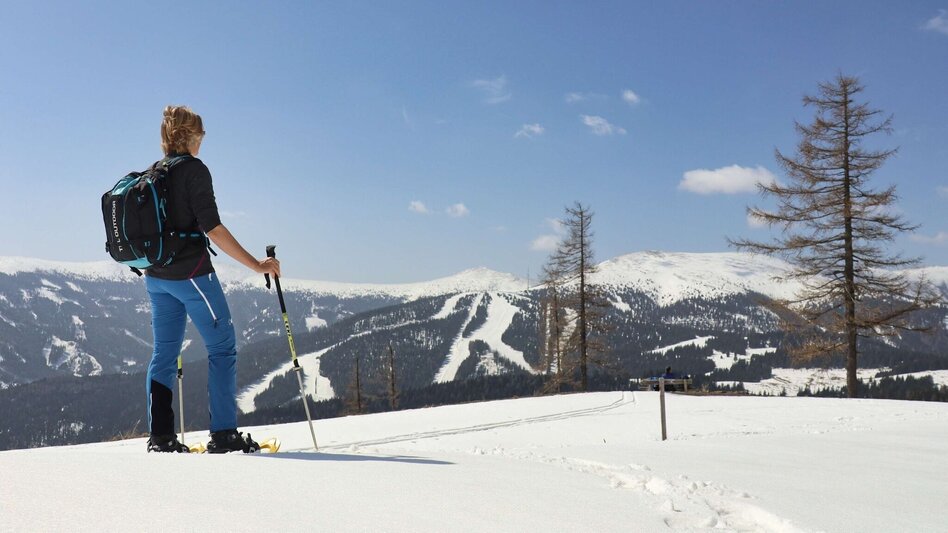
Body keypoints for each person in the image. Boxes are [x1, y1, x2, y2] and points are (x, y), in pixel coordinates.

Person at [144, 105, 280, 453]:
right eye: (201, 136)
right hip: (190, 274)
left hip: (156, 276)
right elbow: (213, 229)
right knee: (222, 346)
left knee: (163, 354)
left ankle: (160, 438)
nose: (202, 142)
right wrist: (256, 265)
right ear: (190, 136)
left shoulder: (155, 173)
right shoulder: (194, 170)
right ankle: (223, 435)